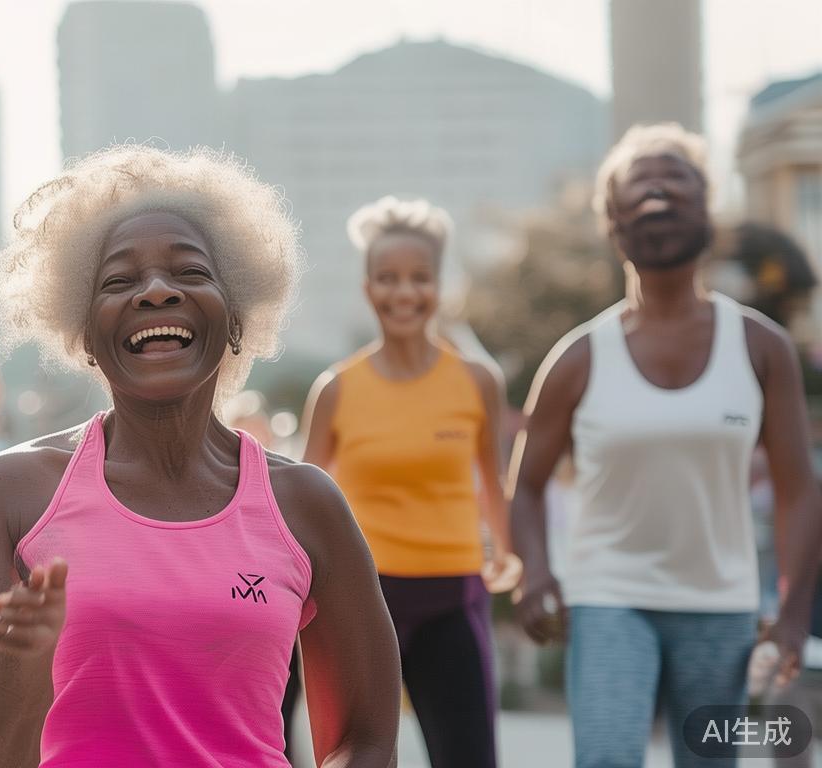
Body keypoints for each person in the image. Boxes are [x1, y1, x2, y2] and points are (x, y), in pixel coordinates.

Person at [0, 146, 401, 767]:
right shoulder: (11, 491)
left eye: (191, 273)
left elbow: (364, 741)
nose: (155, 291)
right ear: (85, 334)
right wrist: (19, 668)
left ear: (235, 319)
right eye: (118, 281)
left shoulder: (306, 504)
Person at [509, 123, 822, 768]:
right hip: (607, 597)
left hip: (721, 604)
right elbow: (529, 483)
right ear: (613, 220)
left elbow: (798, 490)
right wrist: (536, 572)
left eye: (675, 177)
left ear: (706, 207)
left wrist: (792, 615)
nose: (658, 189)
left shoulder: (763, 348)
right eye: (639, 181)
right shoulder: (577, 357)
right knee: (608, 759)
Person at [302, 196, 513, 768]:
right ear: (368, 287)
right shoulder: (336, 389)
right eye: (387, 278)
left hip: (454, 594)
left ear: (439, 286)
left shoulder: (476, 382)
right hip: (363, 596)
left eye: (419, 278)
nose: (404, 293)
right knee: (358, 758)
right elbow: (304, 500)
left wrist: (512, 556)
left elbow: (492, 483)